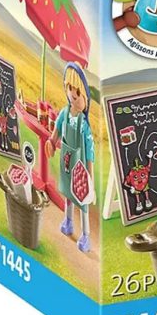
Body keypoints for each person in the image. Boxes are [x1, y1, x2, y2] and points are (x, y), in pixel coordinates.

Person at [45, 63, 94, 252]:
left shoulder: (85, 126)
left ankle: (86, 234)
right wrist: (51, 141)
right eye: (70, 88)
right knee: (68, 193)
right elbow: (56, 130)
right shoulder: (64, 113)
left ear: (85, 98)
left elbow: (90, 152)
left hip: (80, 167)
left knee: (83, 201)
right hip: (66, 161)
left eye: (78, 92)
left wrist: (90, 176)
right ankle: (68, 221)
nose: (73, 94)